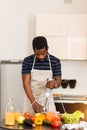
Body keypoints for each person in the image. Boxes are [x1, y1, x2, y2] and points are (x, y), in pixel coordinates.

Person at [22, 36, 62, 115]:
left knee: (49, 125)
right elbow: (26, 84)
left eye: (43, 53)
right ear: (34, 51)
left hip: (47, 100)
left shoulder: (55, 61)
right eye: (38, 54)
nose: (41, 57)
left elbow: (58, 81)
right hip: (31, 100)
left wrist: (54, 84)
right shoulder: (27, 61)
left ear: (47, 48)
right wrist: (34, 103)